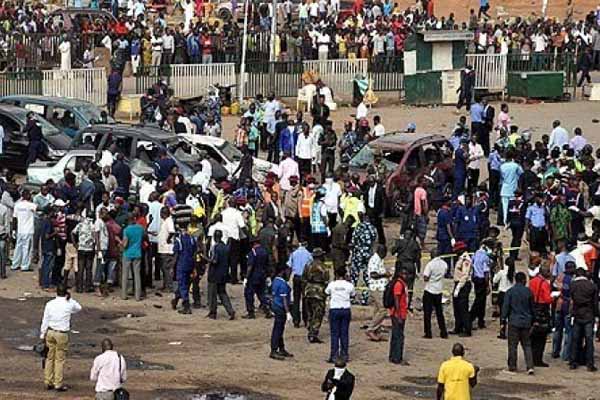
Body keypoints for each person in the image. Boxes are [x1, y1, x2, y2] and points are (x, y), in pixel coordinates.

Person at [39, 284, 82, 391]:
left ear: (56, 292)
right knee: (59, 359)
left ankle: (48, 381)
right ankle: (58, 383)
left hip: (50, 332)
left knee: (49, 358)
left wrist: (42, 334)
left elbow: (45, 320)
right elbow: (79, 308)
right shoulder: (69, 304)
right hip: (62, 334)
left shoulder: (50, 304)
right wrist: (70, 298)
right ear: (66, 293)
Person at [502, 272, 535, 375]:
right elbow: (532, 308)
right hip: (526, 322)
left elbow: (506, 307)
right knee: (527, 345)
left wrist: (503, 320)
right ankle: (530, 366)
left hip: (514, 321)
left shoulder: (510, 292)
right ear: (524, 280)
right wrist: (533, 320)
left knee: (512, 345)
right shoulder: (528, 292)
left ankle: (512, 366)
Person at [569, 266, 598, 371]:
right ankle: (589, 363)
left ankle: (573, 361)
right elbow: (595, 303)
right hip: (589, 314)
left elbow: (571, 299)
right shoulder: (592, 286)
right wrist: (596, 315)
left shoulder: (572, 285)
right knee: (589, 340)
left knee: (576, 339)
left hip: (577, 313)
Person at [325, 267, 355, 363]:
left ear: (336, 275)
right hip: (345, 309)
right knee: (344, 333)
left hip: (334, 309)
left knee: (334, 334)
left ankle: (334, 355)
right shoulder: (349, 285)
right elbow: (353, 294)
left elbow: (326, 292)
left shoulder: (332, 284)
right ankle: (344, 355)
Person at [206, 230, 235, 320]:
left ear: (215, 237)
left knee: (212, 294)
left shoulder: (216, 247)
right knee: (223, 293)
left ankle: (213, 312)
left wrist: (206, 258)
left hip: (214, 274)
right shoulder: (226, 248)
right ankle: (230, 311)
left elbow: (215, 261)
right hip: (223, 274)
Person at [303, 247, 330, 343]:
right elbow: (326, 281)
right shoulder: (324, 267)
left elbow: (304, 278)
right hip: (319, 292)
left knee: (310, 312)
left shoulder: (308, 265)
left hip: (308, 291)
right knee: (318, 314)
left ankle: (310, 328)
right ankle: (313, 333)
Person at [422, 248, 448, 339]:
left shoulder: (430, 264)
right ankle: (443, 332)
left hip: (429, 289)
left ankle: (428, 333)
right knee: (439, 312)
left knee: (427, 313)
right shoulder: (444, 264)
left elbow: (425, 277)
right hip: (439, 289)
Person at [270, 265, 294, 361]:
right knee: (278, 329)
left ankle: (281, 348)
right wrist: (288, 312)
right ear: (282, 272)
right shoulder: (283, 284)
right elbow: (284, 299)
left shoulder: (275, 281)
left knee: (279, 328)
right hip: (280, 308)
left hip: (276, 306)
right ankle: (274, 350)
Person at [243, 237, 270, 319]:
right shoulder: (264, 251)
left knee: (249, 294)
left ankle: (251, 313)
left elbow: (250, 266)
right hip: (262, 275)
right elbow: (267, 264)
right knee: (261, 294)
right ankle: (267, 310)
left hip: (253, 276)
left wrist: (246, 278)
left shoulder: (253, 252)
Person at [366, 244, 389, 341]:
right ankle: (371, 329)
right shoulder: (374, 260)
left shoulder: (379, 260)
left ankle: (377, 332)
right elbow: (373, 274)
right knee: (383, 310)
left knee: (377, 311)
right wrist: (385, 274)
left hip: (381, 287)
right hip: (377, 288)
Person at [11, 189, 37, 272]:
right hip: (28, 230)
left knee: (18, 247)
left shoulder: (17, 205)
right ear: (28, 196)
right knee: (27, 248)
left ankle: (15, 264)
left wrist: (14, 230)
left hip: (20, 230)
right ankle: (25, 266)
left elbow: (14, 218)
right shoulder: (31, 205)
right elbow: (42, 209)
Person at [388, 267, 409, 365]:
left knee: (396, 335)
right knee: (399, 336)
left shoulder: (401, 283)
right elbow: (396, 299)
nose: (405, 276)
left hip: (400, 313)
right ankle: (397, 358)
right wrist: (399, 315)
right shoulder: (399, 284)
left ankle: (393, 356)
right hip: (398, 314)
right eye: (404, 274)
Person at [121, 213, 144, 301]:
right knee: (137, 275)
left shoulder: (126, 230)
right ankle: (137, 296)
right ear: (134, 219)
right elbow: (143, 237)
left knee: (125, 275)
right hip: (137, 253)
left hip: (127, 253)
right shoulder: (140, 228)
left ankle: (124, 295)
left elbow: (125, 243)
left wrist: (121, 245)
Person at [470, 240, 491, 330]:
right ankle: (471, 318)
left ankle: (480, 321)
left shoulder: (475, 254)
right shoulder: (485, 257)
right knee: (480, 301)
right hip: (482, 280)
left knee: (480, 300)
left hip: (475, 279)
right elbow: (486, 272)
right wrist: (487, 285)